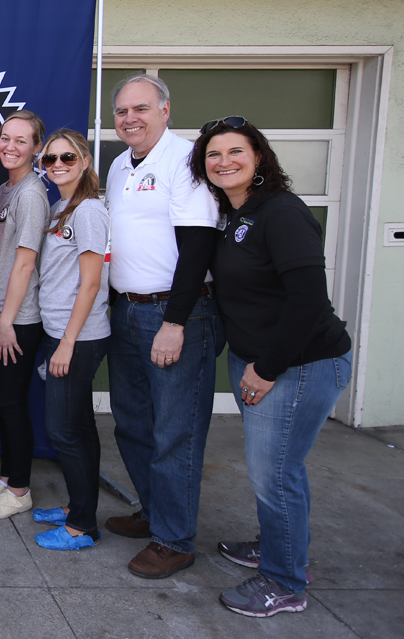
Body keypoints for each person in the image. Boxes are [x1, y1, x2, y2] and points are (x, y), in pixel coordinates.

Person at [190, 117, 352, 617]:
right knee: (275, 469)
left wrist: (267, 367)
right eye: (213, 155)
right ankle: (276, 545)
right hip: (263, 359)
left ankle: (284, 581)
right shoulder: (237, 213)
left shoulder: (282, 213)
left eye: (235, 152)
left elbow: (306, 300)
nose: (224, 162)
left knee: (276, 473)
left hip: (298, 364)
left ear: (258, 156)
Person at [104, 73, 224, 578]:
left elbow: (198, 245)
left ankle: (174, 539)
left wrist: (174, 321)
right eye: (122, 111)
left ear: (166, 110)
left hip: (176, 313)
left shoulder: (186, 159)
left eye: (141, 109)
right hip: (126, 309)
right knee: (132, 421)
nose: (130, 118)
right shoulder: (117, 164)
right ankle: (155, 513)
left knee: (175, 431)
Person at [28, 129, 111, 551]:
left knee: (64, 432)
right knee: (80, 428)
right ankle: (79, 508)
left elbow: (91, 284)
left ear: (85, 161)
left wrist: (66, 343)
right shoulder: (64, 206)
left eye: (68, 157)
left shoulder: (89, 212)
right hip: (60, 332)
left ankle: (81, 527)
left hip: (76, 339)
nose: (57, 165)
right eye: (50, 159)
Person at [0, 111, 48, 521]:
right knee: (3, 402)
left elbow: (24, 263)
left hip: (16, 319)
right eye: (5, 138)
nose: (10, 147)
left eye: (22, 141)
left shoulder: (32, 194)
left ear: (37, 148)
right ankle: (7, 478)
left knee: (13, 404)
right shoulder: (4, 190)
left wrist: (5, 322)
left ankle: (19, 490)